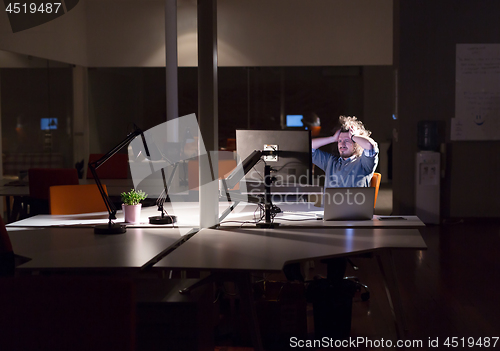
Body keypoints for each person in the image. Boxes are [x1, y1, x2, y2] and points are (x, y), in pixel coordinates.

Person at [311, 115, 378, 189]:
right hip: (331, 200)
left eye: (347, 140)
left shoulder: (364, 163)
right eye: (339, 141)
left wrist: (354, 136)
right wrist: (332, 138)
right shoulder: (330, 162)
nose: (342, 144)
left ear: (356, 142)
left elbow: (370, 146)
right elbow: (309, 146)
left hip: (354, 199)